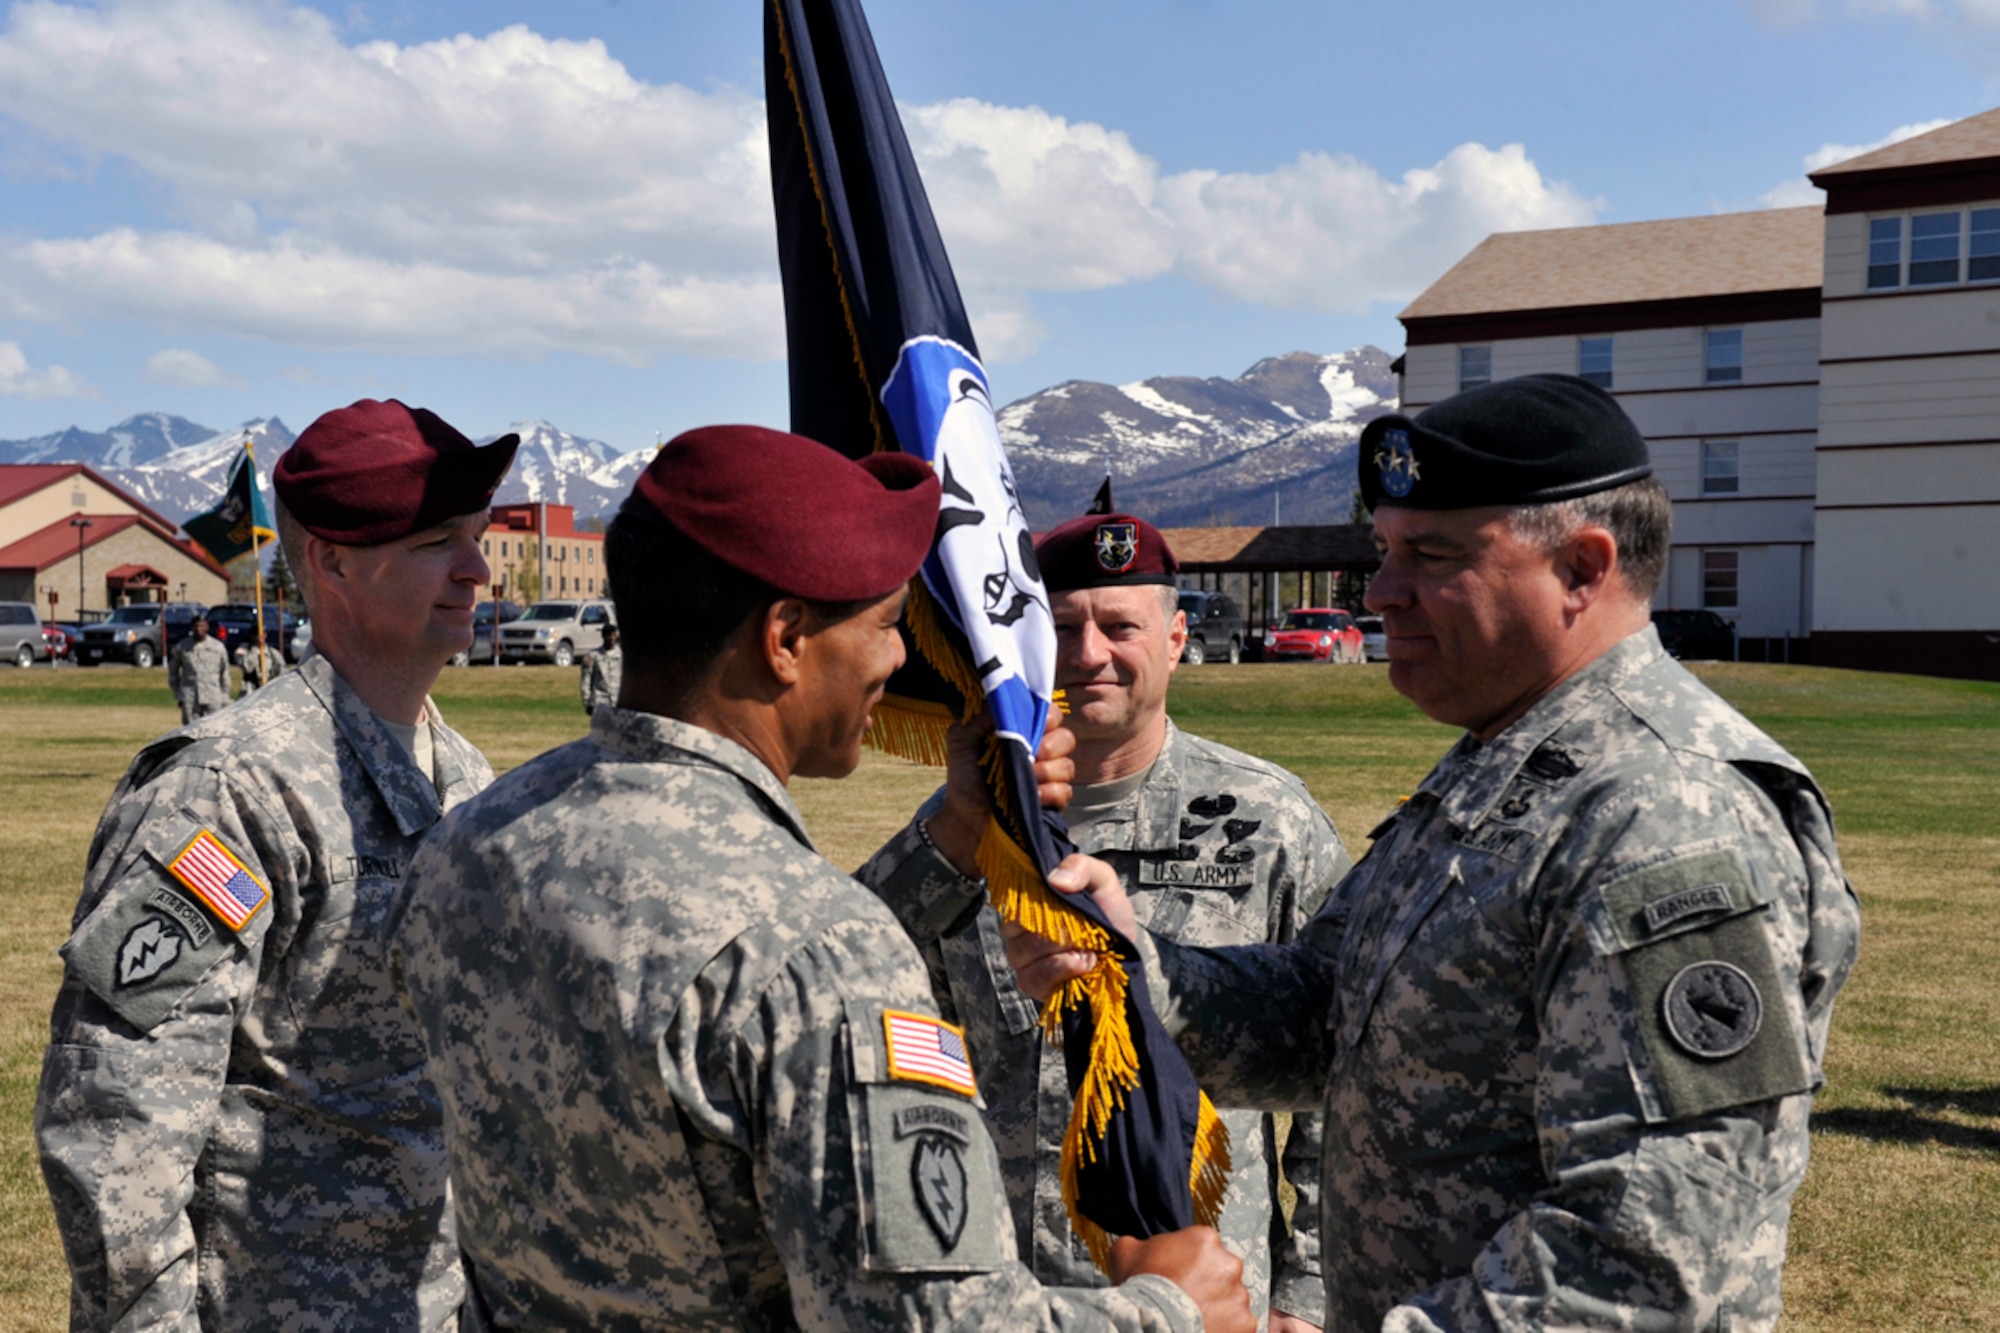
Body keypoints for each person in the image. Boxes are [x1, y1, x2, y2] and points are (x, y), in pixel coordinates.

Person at [1008, 375, 1862, 1332]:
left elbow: (1643, 1261)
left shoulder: (1666, 813)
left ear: (1583, 568)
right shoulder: (1504, 763)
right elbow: (1330, 1010)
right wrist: (1133, 972)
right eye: (1383, 552)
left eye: (1432, 555)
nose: (1379, 592)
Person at [391, 424, 1252, 1333]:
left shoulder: (468, 844)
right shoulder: (817, 945)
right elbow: (931, 1323)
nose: (893, 661)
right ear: (787, 638)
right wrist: (1169, 1313)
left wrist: (958, 831)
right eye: (884, 625)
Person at [36, 398, 519, 1331]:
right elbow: (114, 1124)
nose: (478, 568)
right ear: (332, 561)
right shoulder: (228, 794)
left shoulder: (465, 778)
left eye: (477, 535)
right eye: (436, 543)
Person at [858, 509, 1348, 1331]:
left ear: (1177, 636)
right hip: (1010, 1297)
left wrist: (1308, 1291)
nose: (1089, 655)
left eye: (1120, 626)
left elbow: (1343, 1054)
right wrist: (953, 827)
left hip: (1208, 1299)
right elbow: (850, 973)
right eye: (1064, 628)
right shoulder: (975, 824)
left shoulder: (1269, 820)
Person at [166, 613, 230, 723]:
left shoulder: (218, 647)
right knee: (190, 734)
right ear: (192, 627)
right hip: (190, 698)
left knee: (213, 731)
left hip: (213, 697)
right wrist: (179, 693)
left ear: (207, 627)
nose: (199, 629)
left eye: (202, 625)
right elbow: (173, 671)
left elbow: (225, 673)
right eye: (196, 626)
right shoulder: (182, 647)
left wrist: (224, 696)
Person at [577, 620, 621, 714]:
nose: (611, 638)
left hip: (618, 702)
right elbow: (586, 681)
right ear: (603, 636)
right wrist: (587, 702)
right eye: (608, 635)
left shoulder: (622, 656)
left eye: (613, 635)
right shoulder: (593, 656)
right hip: (600, 702)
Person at [238, 626, 284, 692]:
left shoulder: (274, 654)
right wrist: (257, 648)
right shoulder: (244, 650)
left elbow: (283, 674)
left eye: (262, 634)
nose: (259, 637)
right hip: (250, 692)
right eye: (256, 634)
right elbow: (247, 667)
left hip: (269, 692)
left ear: (265, 635)